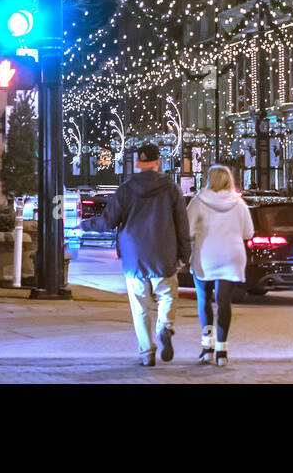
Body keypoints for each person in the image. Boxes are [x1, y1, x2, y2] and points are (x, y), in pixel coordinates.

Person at [82, 142, 190, 367]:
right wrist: (184, 253)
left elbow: (108, 221)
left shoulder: (126, 189)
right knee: (167, 294)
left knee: (140, 306)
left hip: (134, 255)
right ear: (157, 162)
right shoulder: (171, 189)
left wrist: (85, 224)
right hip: (164, 252)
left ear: (137, 164)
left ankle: (146, 353)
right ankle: (165, 327)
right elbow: (182, 224)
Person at [186, 165, 254, 367]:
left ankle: (207, 347)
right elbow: (248, 233)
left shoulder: (199, 201)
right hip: (231, 256)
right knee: (224, 302)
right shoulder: (239, 203)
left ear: (209, 179)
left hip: (206, 256)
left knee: (204, 299)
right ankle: (222, 350)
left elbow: (188, 230)